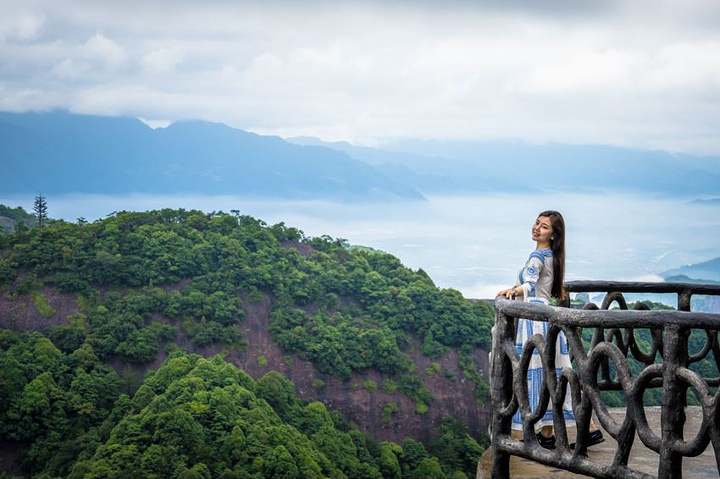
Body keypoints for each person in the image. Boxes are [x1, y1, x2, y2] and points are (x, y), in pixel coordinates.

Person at [496, 210, 604, 450]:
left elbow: (530, 284)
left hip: (536, 321)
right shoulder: (553, 256)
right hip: (548, 320)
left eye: (544, 227)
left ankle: (585, 429)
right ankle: (550, 432)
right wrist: (518, 288)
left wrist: (514, 291)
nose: (537, 228)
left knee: (542, 375)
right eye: (537, 223)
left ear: (553, 235)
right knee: (554, 375)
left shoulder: (538, 256)